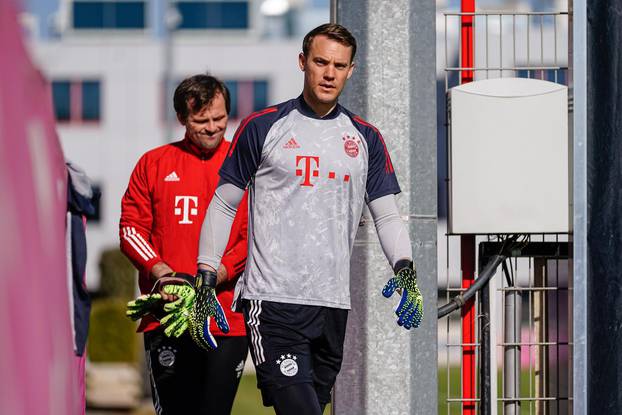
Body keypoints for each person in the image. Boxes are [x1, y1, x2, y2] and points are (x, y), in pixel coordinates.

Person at [196, 24, 424, 415]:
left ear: (352, 70)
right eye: (321, 62)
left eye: (339, 65)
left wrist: (404, 266)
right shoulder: (264, 126)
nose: (329, 73)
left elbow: (386, 216)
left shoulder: (366, 137)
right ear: (303, 63)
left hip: (332, 305)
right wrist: (204, 274)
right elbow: (223, 204)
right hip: (273, 302)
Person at [119, 74, 249, 415]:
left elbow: (255, 237)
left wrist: (213, 277)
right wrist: (165, 275)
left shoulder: (247, 166)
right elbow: (132, 229)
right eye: (200, 120)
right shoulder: (154, 163)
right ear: (181, 118)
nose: (212, 127)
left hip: (227, 317)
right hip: (167, 316)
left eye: (219, 118)